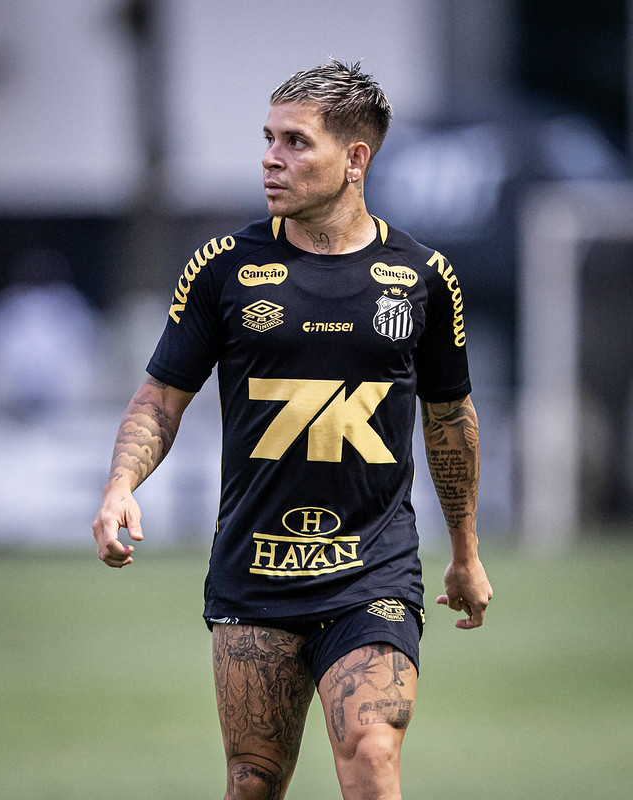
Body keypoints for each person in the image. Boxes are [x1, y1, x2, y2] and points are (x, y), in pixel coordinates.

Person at [93, 58, 493, 800]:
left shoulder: (422, 276)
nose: (271, 159)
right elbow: (162, 397)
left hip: (372, 572)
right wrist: (121, 484)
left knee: (371, 753)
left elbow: (449, 418)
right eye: (268, 139)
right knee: (254, 783)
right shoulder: (224, 268)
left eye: (296, 142)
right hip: (255, 574)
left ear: (355, 158)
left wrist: (465, 553)